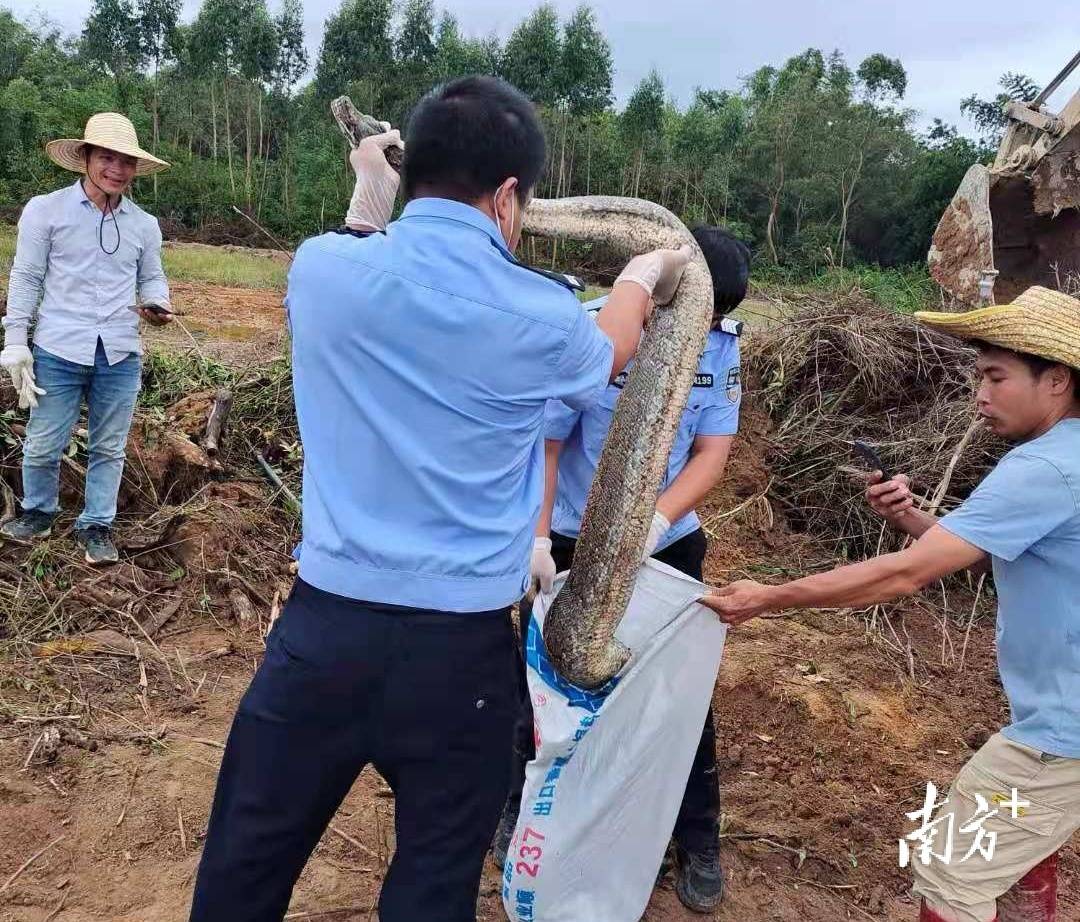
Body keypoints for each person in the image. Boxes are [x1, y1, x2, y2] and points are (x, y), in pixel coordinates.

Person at [189, 75, 692, 922]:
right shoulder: (543, 315)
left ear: (408, 172)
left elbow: (365, 247)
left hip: (323, 638)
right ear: (507, 196)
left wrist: (372, 193)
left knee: (245, 864)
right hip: (460, 658)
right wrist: (643, 274)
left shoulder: (321, 272)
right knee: (433, 884)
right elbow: (609, 352)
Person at [702, 286, 1080, 922]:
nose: (980, 395)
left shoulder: (1044, 468)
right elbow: (994, 554)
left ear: (1057, 380)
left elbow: (904, 577)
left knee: (951, 869)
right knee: (1018, 845)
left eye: (995, 377)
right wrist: (910, 517)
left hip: (1061, 733)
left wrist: (768, 597)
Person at [492, 225, 750, 913]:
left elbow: (712, 452)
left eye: (715, 316)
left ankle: (697, 838)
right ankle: (520, 808)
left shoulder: (721, 346)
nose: (705, 327)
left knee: (675, 696)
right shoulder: (594, 328)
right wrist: (538, 538)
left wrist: (653, 523)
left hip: (665, 546)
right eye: (698, 311)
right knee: (541, 686)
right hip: (569, 540)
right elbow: (548, 443)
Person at [1, 113, 172, 565]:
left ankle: (96, 525)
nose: (116, 169)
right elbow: (26, 277)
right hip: (59, 348)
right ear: (86, 158)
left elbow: (152, 277)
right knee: (43, 441)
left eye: (126, 161)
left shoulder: (143, 224)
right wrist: (15, 340)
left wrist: (157, 304)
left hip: (119, 353)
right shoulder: (46, 210)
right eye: (107, 158)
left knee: (109, 447)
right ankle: (38, 513)